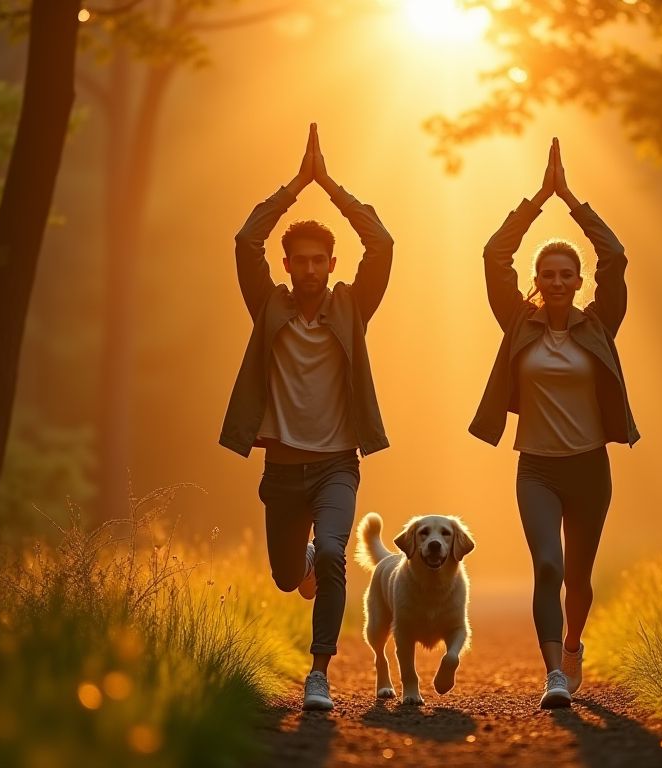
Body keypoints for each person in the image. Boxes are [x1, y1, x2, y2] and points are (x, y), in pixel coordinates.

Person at [219, 123, 393, 711]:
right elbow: (246, 242)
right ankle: (309, 567)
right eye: (302, 260)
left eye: (322, 259)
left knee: (335, 555)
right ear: (288, 263)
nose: (313, 268)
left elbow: (383, 244)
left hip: (337, 466)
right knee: (288, 577)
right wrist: (298, 184)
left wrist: (332, 187)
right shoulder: (268, 306)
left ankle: (318, 673)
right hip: (282, 469)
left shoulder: (351, 307)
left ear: (332, 261)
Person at [469, 138, 640, 708]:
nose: (559, 280)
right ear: (537, 281)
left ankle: (572, 643)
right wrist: (538, 199)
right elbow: (496, 254)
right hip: (537, 468)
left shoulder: (599, 325)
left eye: (568, 273)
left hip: (591, 467)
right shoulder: (518, 323)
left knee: (580, 579)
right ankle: (553, 676)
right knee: (548, 564)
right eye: (549, 273)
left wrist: (572, 200)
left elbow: (615, 257)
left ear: (579, 281)